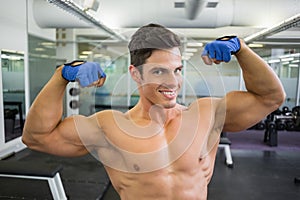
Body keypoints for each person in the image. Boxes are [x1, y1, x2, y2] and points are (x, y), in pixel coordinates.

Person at [22, 23, 285, 200]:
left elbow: (271, 97)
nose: (173, 82)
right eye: (159, 71)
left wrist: (241, 48)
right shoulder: (109, 127)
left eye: (177, 70)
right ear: (135, 74)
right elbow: (36, 137)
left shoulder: (207, 114)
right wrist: (62, 76)